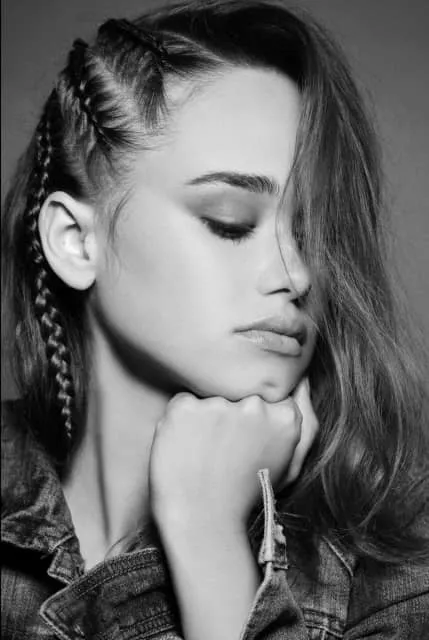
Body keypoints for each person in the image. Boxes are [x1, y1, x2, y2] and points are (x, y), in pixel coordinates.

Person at [1, 0, 428, 638]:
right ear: (75, 241)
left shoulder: (393, 568)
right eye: (230, 222)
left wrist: (205, 530)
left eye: (314, 236)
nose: (297, 274)